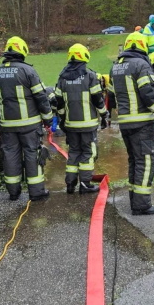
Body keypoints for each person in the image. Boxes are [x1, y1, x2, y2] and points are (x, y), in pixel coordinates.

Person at [0, 36, 53, 202]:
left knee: (10, 155)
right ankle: (36, 192)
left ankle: (13, 192)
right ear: (22, 51)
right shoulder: (28, 71)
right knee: (32, 154)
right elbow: (41, 97)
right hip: (30, 125)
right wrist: (48, 118)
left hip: (7, 125)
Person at [111, 32, 154, 215]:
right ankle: (142, 205)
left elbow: (112, 94)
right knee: (146, 161)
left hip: (125, 123)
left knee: (134, 161)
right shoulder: (141, 64)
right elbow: (148, 93)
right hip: (142, 122)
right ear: (143, 46)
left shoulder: (116, 67)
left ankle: (135, 200)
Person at [51, 44, 108, 194]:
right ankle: (85, 184)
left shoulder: (62, 77)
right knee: (88, 153)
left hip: (70, 124)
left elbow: (59, 102)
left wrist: (63, 119)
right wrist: (104, 115)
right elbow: (97, 99)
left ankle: (70, 184)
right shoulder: (90, 76)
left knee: (74, 152)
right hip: (88, 125)